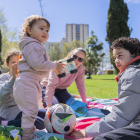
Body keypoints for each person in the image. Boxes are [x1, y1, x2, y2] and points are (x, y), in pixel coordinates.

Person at [70, 37, 140, 138]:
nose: (116, 60)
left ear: (135, 54)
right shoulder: (63, 64)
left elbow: (121, 116)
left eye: (120, 55)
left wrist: (87, 132)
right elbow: (53, 82)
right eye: (114, 57)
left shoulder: (132, 74)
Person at [13, 15, 65, 140]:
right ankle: (27, 135)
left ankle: (29, 129)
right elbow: (37, 64)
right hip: (27, 82)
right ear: (29, 30)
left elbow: (38, 65)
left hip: (32, 82)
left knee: (33, 109)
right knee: (30, 111)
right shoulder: (31, 45)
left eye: (47, 30)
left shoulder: (35, 45)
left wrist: (54, 67)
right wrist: (54, 65)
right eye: (41, 28)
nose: (45, 32)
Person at [0, 49, 47, 130]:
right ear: (7, 64)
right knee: (40, 123)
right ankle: (5, 123)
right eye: (13, 62)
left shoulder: (24, 77)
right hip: (10, 110)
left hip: (24, 109)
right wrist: (13, 80)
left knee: (49, 115)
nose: (17, 65)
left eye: (19, 62)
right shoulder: (4, 77)